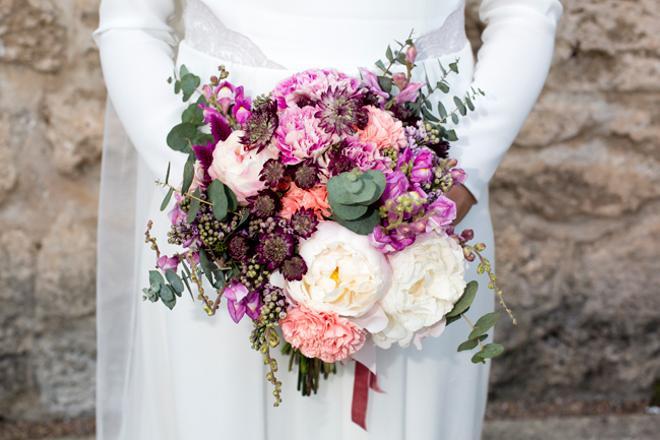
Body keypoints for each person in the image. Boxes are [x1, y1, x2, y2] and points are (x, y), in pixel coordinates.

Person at [93, 1, 562, 438]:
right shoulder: (214, 191)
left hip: (429, 173)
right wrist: (206, 189)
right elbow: (131, 24)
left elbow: (525, 10)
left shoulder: (444, 185)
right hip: (226, 172)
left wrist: (464, 176)